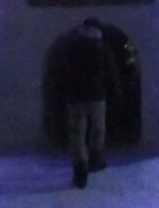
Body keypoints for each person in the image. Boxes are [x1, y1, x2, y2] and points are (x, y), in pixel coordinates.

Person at [61, 17, 118, 189]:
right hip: (98, 96)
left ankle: (81, 171)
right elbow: (112, 71)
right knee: (98, 127)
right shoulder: (104, 48)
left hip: (76, 97)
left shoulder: (72, 46)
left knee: (77, 134)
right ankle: (96, 158)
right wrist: (115, 91)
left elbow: (64, 70)